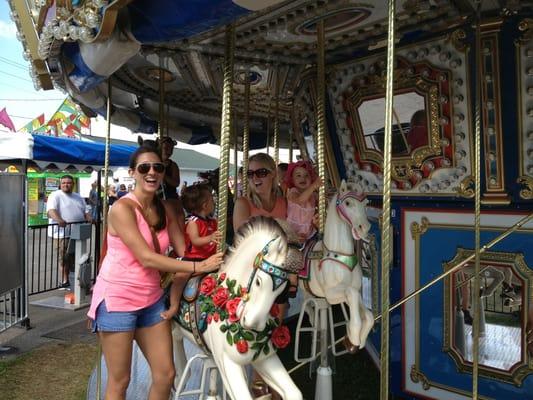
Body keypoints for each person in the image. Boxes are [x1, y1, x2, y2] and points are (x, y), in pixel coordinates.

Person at [87, 146, 223, 400]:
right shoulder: (121, 209)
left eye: (158, 168)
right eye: (144, 168)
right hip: (119, 300)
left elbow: (182, 250)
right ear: (132, 173)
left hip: (150, 300)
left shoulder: (164, 208)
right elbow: (146, 258)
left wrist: (209, 250)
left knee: (165, 374)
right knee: (120, 380)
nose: (152, 172)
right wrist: (197, 267)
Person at [233, 153, 289, 399]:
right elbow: (242, 234)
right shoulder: (243, 203)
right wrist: (280, 227)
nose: (255, 178)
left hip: (277, 273)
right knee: (258, 326)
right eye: (251, 173)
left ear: (273, 174)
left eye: (261, 173)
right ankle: (258, 377)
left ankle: (267, 376)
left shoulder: (284, 201)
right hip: (251, 272)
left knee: (275, 326)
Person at [162, 183, 221, 319]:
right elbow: (195, 240)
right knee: (180, 277)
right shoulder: (193, 222)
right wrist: (210, 237)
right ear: (205, 205)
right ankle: (173, 306)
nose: (215, 202)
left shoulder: (212, 221)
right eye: (212, 200)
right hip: (194, 258)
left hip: (210, 257)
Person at [284, 160, 322, 296]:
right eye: (298, 176)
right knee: (293, 252)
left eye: (306, 176)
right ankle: (292, 282)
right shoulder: (292, 192)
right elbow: (300, 200)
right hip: (292, 233)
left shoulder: (313, 196)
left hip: (308, 233)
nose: (302, 178)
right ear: (292, 179)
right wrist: (314, 185)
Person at [47, 175, 92, 288]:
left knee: (78, 257)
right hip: (62, 234)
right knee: (64, 258)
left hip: (78, 232)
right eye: (64, 183)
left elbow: (85, 211)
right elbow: (51, 210)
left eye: (69, 183)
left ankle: (77, 280)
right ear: (60, 184)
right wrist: (59, 220)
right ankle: (64, 281)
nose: (66, 185)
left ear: (73, 184)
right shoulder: (55, 195)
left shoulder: (78, 197)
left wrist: (89, 217)